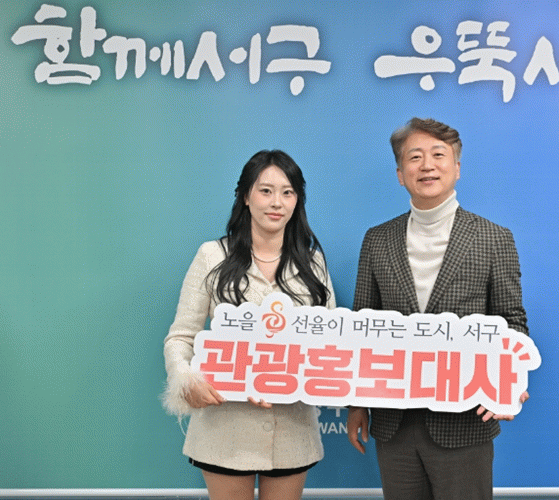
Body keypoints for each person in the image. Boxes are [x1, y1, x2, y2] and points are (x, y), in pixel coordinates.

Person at [347, 118, 530, 500]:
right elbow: (362, 327)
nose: (427, 165)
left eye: (438, 155)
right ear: (401, 174)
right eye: (415, 157)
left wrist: (510, 381)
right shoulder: (377, 240)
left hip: (464, 419)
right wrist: (356, 404)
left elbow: (512, 322)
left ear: (457, 167)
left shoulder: (493, 238)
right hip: (394, 419)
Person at [162, 150, 335, 500]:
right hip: (224, 426)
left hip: (291, 428)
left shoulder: (312, 262)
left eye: (287, 192)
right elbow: (181, 336)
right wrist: (186, 379)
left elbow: (329, 340)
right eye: (265, 190)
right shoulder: (212, 256)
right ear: (245, 196)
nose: (277, 202)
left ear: (297, 200)